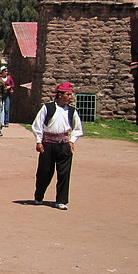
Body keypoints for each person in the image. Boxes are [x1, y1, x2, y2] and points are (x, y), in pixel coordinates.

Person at [31, 82, 83, 210]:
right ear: (59, 95)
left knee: (64, 173)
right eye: (68, 94)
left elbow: (77, 128)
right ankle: (39, 196)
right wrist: (39, 141)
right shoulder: (47, 108)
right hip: (48, 144)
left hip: (64, 145)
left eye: (70, 94)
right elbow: (37, 125)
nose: (70, 97)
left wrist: (72, 141)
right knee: (44, 171)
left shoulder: (72, 111)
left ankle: (61, 200)